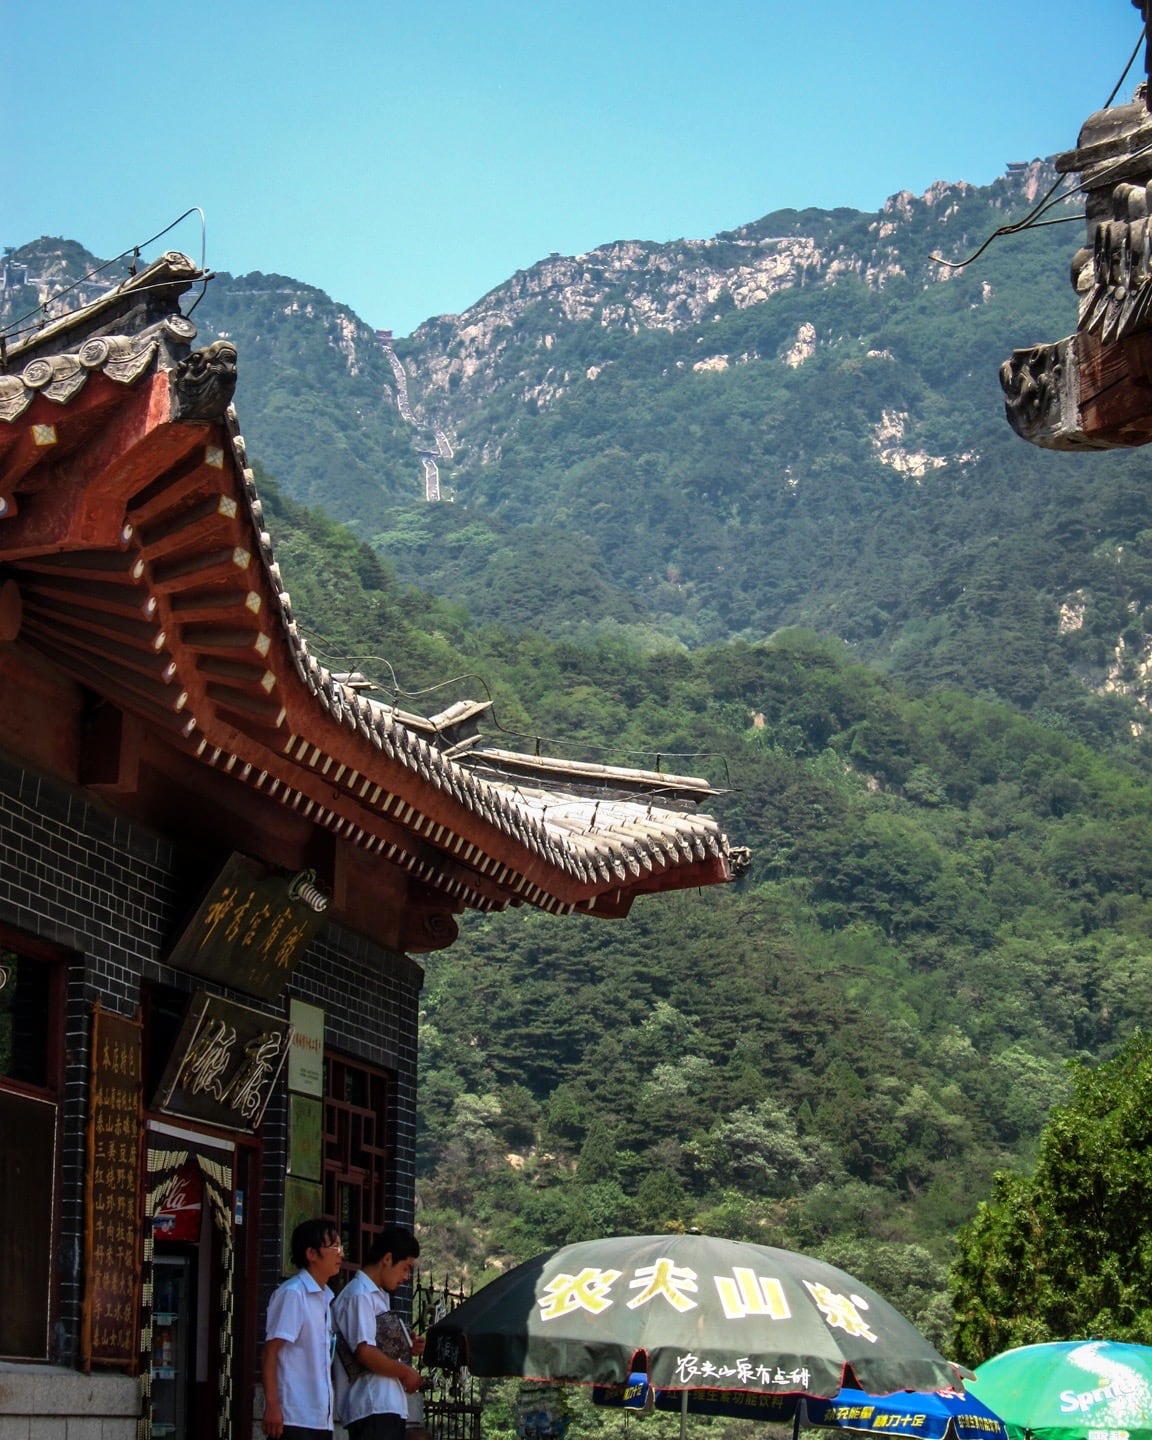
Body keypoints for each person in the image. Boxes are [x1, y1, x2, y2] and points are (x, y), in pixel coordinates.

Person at [332, 1224, 424, 1440]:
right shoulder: (359, 1295)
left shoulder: (379, 1296)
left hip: (385, 1405)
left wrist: (405, 1345)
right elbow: (365, 1352)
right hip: (371, 1404)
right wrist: (405, 1372)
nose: (406, 1277)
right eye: (405, 1267)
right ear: (387, 1259)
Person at [261, 1217, 344, 1439]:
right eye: (334, 1246)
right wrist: (272, 1405)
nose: (340, 1254)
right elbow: (271, 1350)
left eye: (340, 1246)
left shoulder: (325, 1298)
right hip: (293, 1415)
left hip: (319, 1417)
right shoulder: (294, 1293)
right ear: (312, 1254)